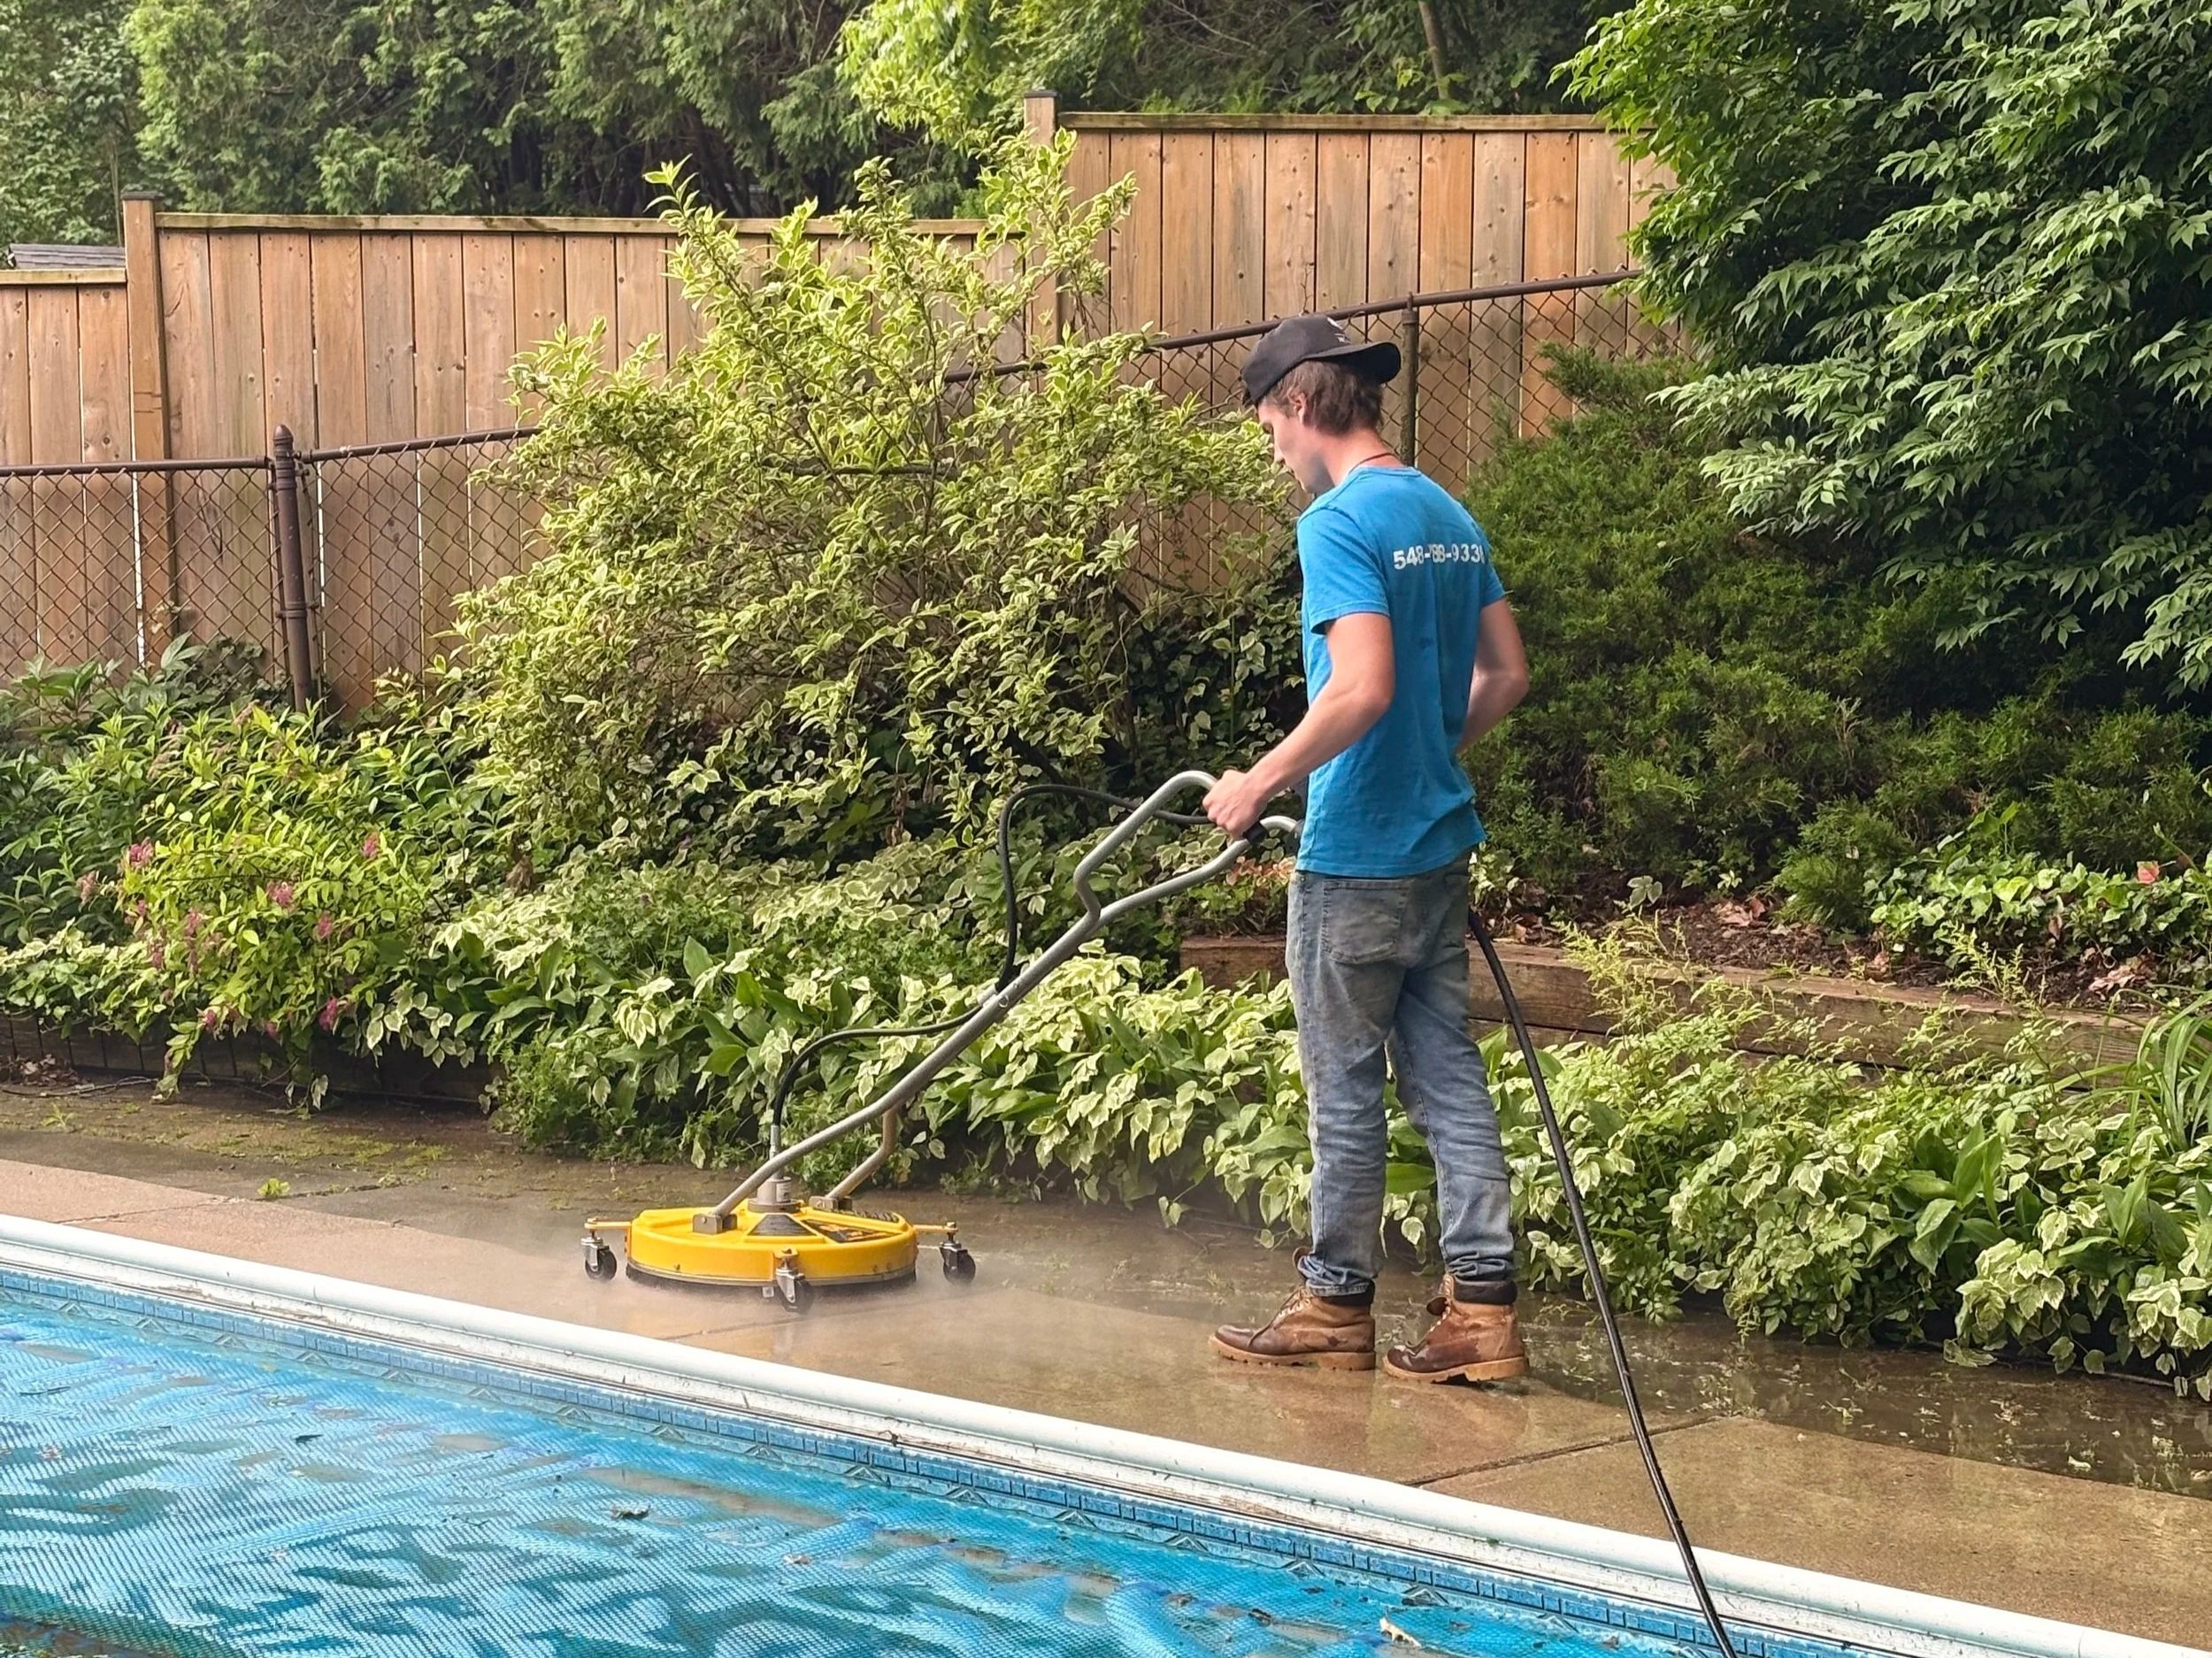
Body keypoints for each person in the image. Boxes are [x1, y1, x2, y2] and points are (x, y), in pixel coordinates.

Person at [1203, 313, 1531, 1383]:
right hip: (1438, 848)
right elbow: (1505, 674)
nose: (1275, 454)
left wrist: (1260, 779)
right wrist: (1435, 756)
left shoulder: (1338, 523)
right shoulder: (1443, 507)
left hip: (1355, 859)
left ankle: (1333, 1303)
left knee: (1343, 1083)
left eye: (1268, 429)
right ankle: (1481, 1312)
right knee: (1445, 1075)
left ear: (1299, 405)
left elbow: (1362, 685)